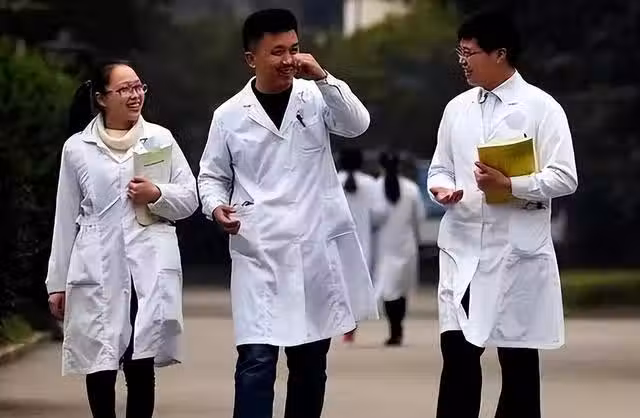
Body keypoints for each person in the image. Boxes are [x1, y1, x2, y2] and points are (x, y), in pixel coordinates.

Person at [198, 8, 378, 418]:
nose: (288, 60)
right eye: (277, 51)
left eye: (293, 49)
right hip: (259, 252)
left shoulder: (315, 97)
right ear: (251, 58)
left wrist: (324, 78)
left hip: (312, 251)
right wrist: (216, 207)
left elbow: (357, 124)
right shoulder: (229, 115)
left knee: (310, 366)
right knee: (256, 363)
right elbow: (211, 176)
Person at [428, 10, 578, 418]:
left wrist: (511, 185)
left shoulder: (542, 108)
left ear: (500, 54)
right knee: (457, 353)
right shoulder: (456, 109)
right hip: (463, 247)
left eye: (469, 53)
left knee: (518, 361)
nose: (463, 62)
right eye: (460, 53)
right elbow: (440, 167)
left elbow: (565, 177)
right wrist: (441, 188)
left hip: (515, 252)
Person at [46, 60, 199, 418]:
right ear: (102, 98)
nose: (135, 95)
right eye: (125, 89)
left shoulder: (160, 139)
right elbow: (65, 217)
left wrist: (157, 193)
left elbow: (190, 198)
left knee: (139, 363)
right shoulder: (77, 148)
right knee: (99, 362)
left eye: (138, 87)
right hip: (98, 267)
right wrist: (57, 284)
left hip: (145, 267)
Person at [337, 147, 388, 343]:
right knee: (357, 284)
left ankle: (342, 324)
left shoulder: (334, 181)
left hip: (336, 242)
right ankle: (352, 325)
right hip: (362, 241)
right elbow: (380, 213)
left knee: (339, 282)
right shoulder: (370, 184)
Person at [373, 152, 424, 346]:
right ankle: (398, 328)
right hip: (406, 246)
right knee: (401, 291)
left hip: (383, 247)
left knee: (388, 291)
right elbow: (419, 218)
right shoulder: (411, 189)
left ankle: (394, 329)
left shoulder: (375, 188)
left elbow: (371, 218)